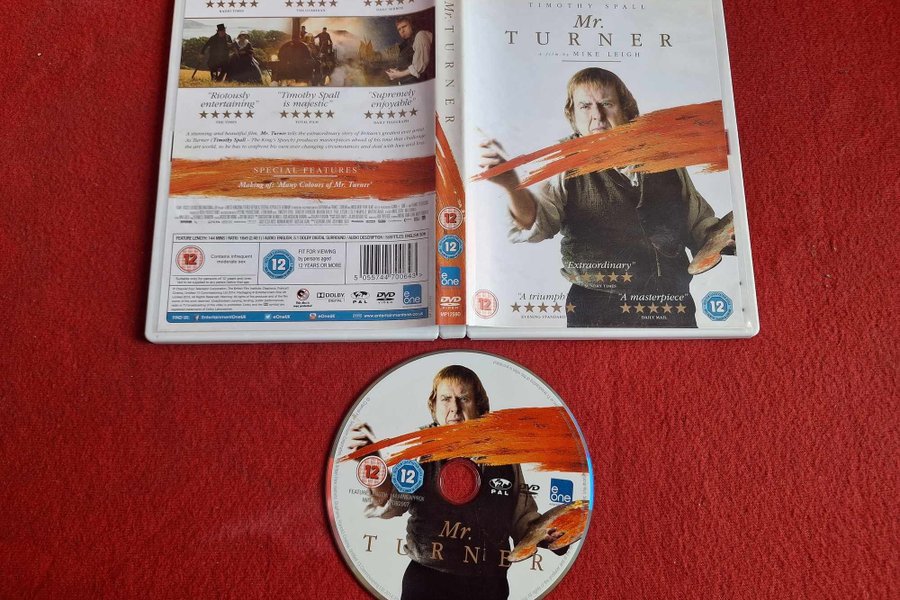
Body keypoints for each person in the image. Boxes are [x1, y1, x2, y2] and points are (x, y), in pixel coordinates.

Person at [479, 68, 735, 328]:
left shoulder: (662, 156)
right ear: (572, 114)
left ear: (626, 109)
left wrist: (724, 238)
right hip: (597, 309)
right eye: (585, 106)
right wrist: (512, 186)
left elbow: (698, 223)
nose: (597, 115)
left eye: (606, 104)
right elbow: (536, 224)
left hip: (671, 303)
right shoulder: (562, 163)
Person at [348, 366, 567, 600]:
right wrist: (373, 466)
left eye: (464, 398)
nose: (454, 408)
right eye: (446, 399)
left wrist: (549, 535)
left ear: (479, 406)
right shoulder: (418, 451)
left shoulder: (504, 457)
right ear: (434, 405)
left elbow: (522, 519)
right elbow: (392, 503)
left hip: (488, 585)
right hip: (426, 581)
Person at [386, 16, 434, 85]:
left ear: (411, 25)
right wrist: (397, 70)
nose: (402, 31)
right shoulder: (406, 44)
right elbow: (410, 62)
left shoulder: (421, 35)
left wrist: (398, 74)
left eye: (404, 26)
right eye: (399, 29)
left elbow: (419, 66)